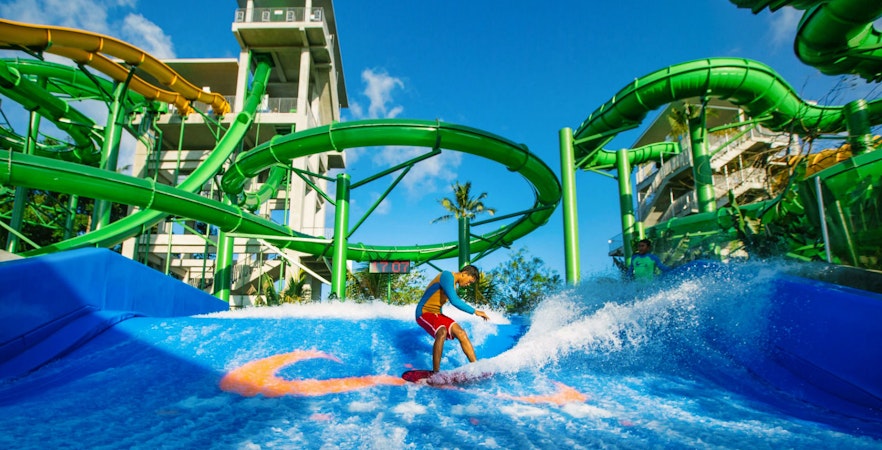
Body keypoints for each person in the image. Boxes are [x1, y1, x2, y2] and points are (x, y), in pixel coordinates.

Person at [415, 265, 489, 373]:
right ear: (464, 273)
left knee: (461, 333)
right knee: (442, 332)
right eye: (469, 281)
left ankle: (476, 368)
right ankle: (435, 373)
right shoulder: (447, 275)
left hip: (437, 314)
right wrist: (475, 311)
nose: (468, 284)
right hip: (424, 312)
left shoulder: (452, 284)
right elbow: (454, 301)